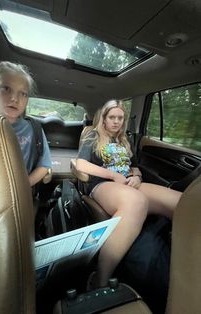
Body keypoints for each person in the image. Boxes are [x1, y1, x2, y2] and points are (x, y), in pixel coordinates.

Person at [76, 99, 182, 289]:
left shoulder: (125, 139)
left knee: (180, 202)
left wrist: (138, 177)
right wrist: (112, 174)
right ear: (104, 118)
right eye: (112, 117)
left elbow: (133, 166)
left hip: (128, 183)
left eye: (120, 118)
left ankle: (184, 261)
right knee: (136, 201)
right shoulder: (92, 135)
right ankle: (99, 279)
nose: (116, 122)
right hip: (102, 184)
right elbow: (81, 164)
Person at [0, 61, 51, 190]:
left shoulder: (34, 129)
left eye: (23, 94)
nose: (15, 99)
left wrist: (20, 188)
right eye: (6, 88)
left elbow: (44, 165)